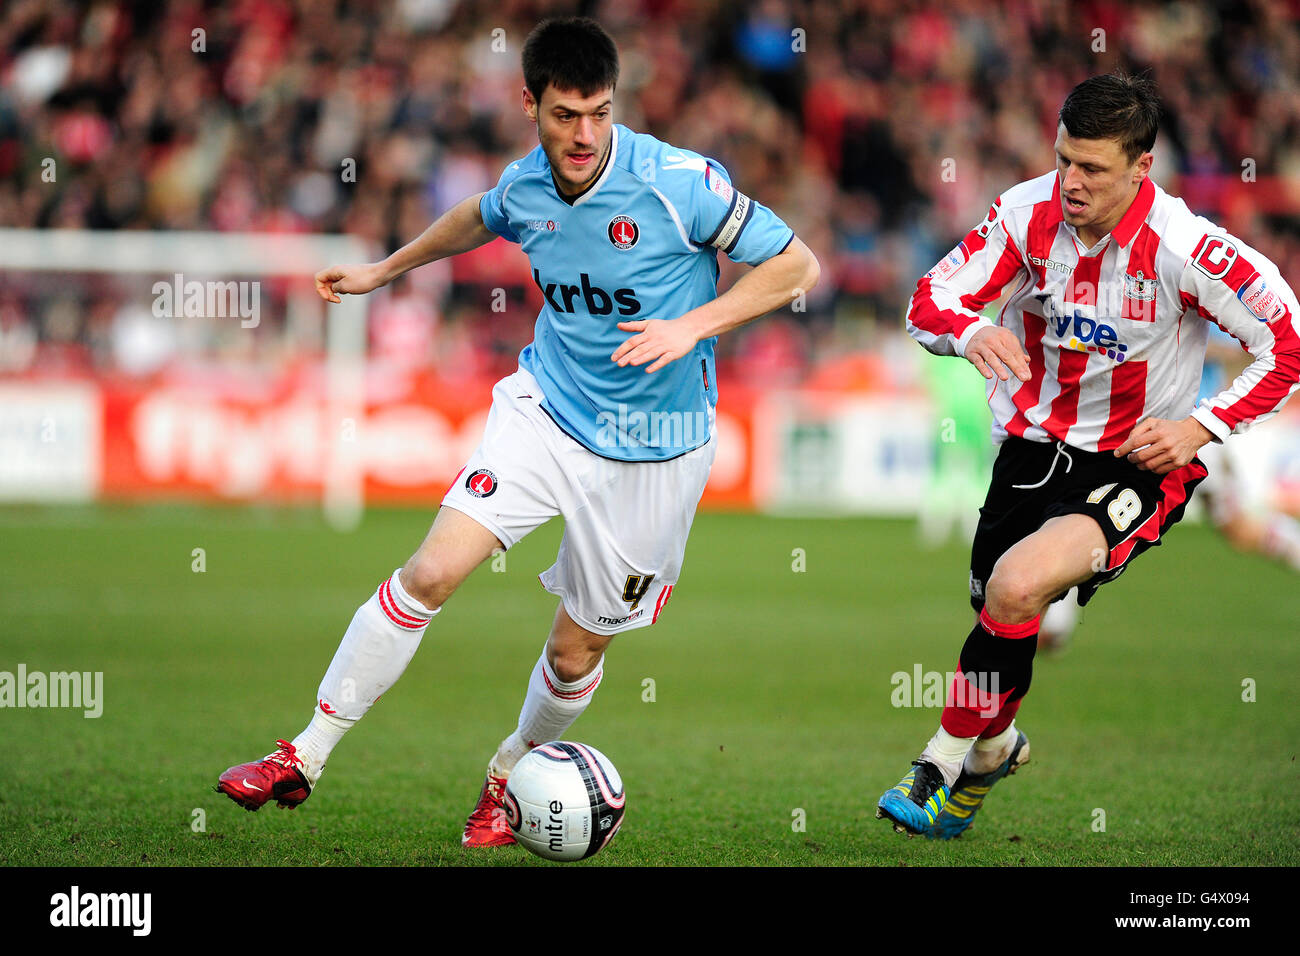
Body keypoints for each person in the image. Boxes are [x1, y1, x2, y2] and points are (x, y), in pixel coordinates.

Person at [215, 16, 818, 848]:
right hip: (549, 412)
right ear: (529, 103)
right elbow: (478, 215)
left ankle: (505, 778)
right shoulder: (528, 185)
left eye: (600, 113)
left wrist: (695, 325)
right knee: (430, 570)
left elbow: (798, 266)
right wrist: (384, 271)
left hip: (659, 448)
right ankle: (303, 754)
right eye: (566, 115)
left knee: (575, 656)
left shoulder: (680, 183)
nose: (585, 135)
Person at [878, 72, 1300, 839]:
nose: (1070, 182)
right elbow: (927, 300)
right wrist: (971, 332)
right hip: (1029, 454)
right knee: (1000, 615)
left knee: (1016, 588)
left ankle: (938, 761)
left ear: (1142, 167)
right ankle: (994, 749)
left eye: (1093, 169)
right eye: (1064, 159)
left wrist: (1201, 428)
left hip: (1136, 463)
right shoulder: (1025, 214)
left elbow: (1288, 343)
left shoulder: (1185, 248)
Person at [1038, 325, 1300, 652]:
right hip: (1134, 430)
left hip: (1195, 433)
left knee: (1238, 528)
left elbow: (1246, 352)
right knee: (1082, 517)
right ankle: (1055, 621)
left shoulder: (1202, 298)